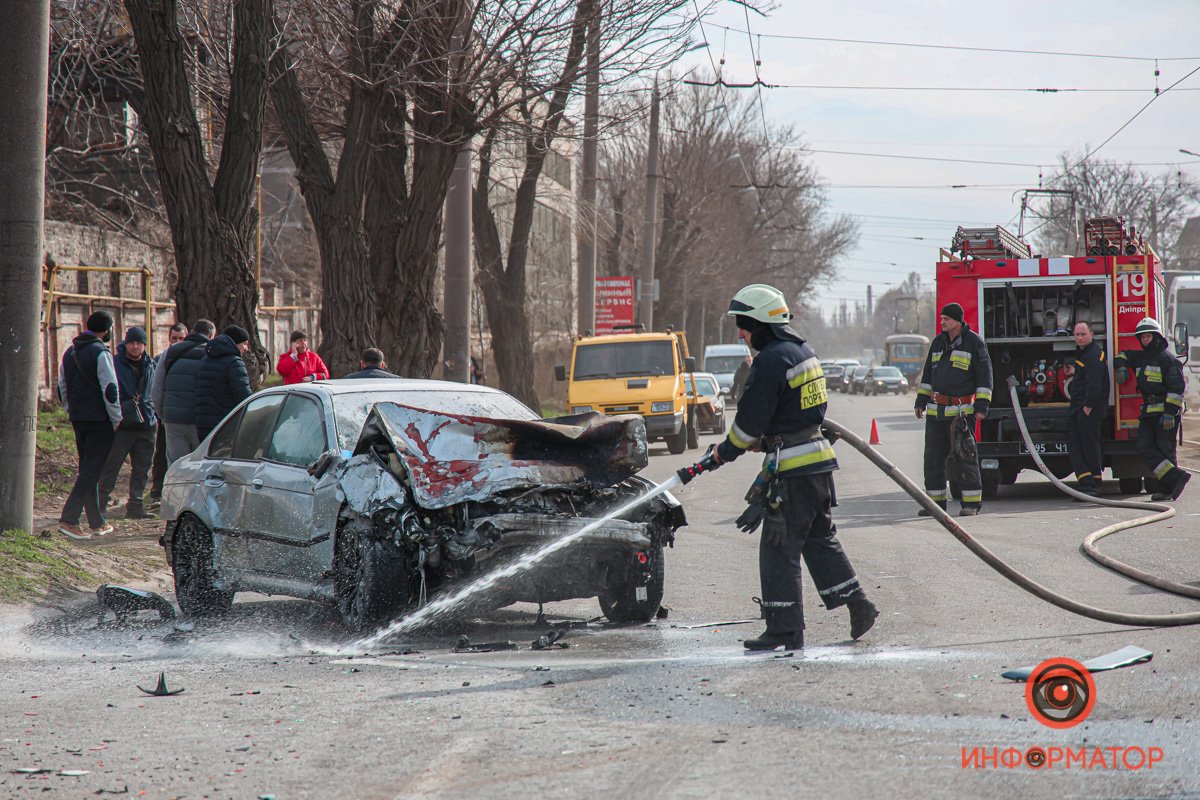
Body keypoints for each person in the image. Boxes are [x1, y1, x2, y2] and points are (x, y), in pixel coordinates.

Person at [678, 284, 878, 651]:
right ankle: (859, 604)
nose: (741, 333)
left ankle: (784, 630)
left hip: (793, 470)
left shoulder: (771, 360)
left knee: (778, 547)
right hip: (815, 465)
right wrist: (767, 440)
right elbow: (799, 414)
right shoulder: (803, 352)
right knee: (818, 540)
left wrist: (725, 451)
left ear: (762, 323)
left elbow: (748, 424)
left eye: (744, 325)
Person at [914, 303, 993, 517]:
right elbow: (928, 376)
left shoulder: (974, 343)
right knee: (932, 460)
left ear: (957, 321)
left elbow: (985, 377)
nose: (942, 322)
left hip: (961, 414)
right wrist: (921, 401)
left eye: (946, 319)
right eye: (941, 319)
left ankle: (971, 504)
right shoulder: (938, 343)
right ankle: (935, 505)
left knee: (965, 458)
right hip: (936, 412)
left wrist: (982, 405)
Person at [57, 310, 122, 540]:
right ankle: (69, 519)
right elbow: (110, 389)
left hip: (78, 418)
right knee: (91, 470)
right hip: (99, 420)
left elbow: (61, 386)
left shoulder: (69, 352)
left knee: (88, 468)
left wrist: (70, 409)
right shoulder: (101, 353)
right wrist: (116, 418)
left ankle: (96, 522)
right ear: (107, 330)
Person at [1115, 317, 1188, 501]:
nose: (1145, 340)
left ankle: (1166, 489)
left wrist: (1170, 412)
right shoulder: (1140, 357)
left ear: (1156, 337)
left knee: (1166, 451)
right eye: (1142, 337)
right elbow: (1122, 355)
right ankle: (1175, 477)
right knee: (1144, 447)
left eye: (1148, 336)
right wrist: (1121, 367)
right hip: (1148, 413)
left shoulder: (1168, 359)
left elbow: (1177, 388)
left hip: (1165, 414)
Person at [97, 327, 158, 519]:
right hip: (122, 424)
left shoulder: (150, 364)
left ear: (144, 345)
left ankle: (135, 506)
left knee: (142, 467)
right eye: (132, 343)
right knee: (112, 465)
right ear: (126, 343)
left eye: (139, 343)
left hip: (146, 423)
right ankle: (99, 503)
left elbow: (154, 391)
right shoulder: (115, 363)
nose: (135, 347)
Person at [154, 319, 216, 464]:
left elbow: (156, 389)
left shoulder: (169, 352)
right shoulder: (212, 354)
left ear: (192, 332)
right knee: (200, 465)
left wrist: (163, 415)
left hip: (173, 420)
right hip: (200, 419)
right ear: (211, 336)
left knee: (177, 466)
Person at [1063, 321, 1110, 498]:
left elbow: (1094, 384)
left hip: (1087, 409)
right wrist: (1075, 371)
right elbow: (1086, 376)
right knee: (1078, 446)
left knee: (1087, 446)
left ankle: (1092, 485)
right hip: (1080, 408)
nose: (1080, 337)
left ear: (1091, 334)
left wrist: (1088, 407)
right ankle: (1089, 483)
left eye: (1083, 334)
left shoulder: (1093, 355)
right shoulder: (1086, 354)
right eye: (1077, 334)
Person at [147, 322, 189, 509]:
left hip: (184, 414)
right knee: (162, 451)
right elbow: (155, 389)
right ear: (168, 338)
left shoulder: (193, 357)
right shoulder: (161, 359)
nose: (177, 342)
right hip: (166, 414)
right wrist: (160, 413)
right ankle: (158, 489)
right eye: (174, 339)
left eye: (181, 338)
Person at [195, 325, 253, 441]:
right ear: (235, 343)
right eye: (245, 343)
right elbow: (244, 398)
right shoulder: (235, 362)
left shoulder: (205, 359)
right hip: (225, 425)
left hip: (203, 424)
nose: (246, 348)